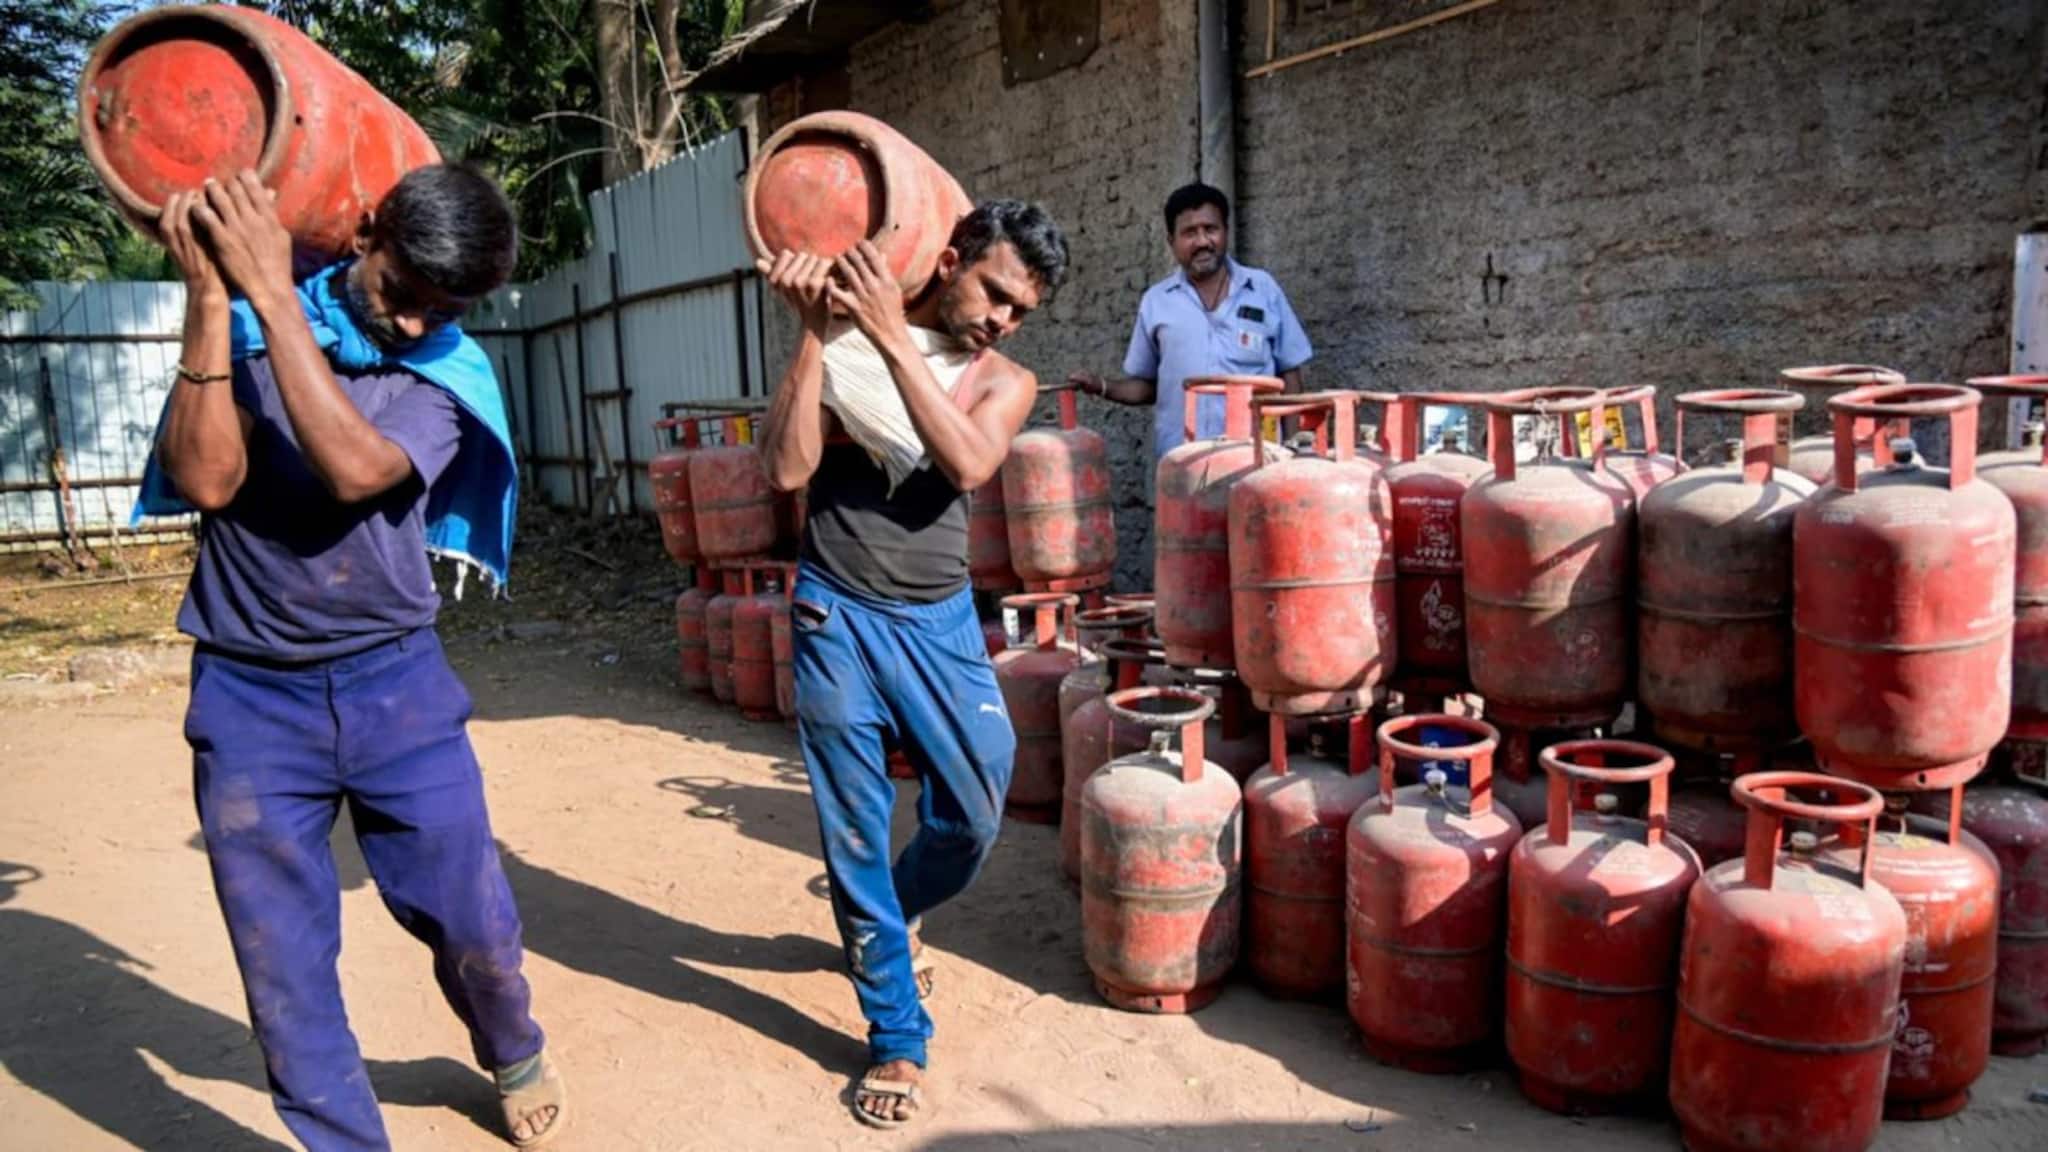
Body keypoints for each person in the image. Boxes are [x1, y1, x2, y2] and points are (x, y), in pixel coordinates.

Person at [134, 165, 563, 1151]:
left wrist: (273, 300)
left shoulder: (443, 372)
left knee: (467, 918)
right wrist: (213, 297)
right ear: (365, 233)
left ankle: (511, 1042)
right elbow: (204, 476)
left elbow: (357, 471)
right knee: (279, 960)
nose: (415, 323)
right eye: (402, 293)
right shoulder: (240, 327)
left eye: (441, 310)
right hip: (249, 697)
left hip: (394, 684)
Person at [755, 200, 1069, 1129]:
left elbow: (969, 461)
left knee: (974, 811)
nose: (1003, 318)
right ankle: (896, 1030)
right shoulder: (845, 342)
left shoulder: (1004, 376)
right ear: (953, 256)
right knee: (851, 827)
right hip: (833, 610)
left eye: (1021, 309)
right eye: (997, 293)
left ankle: (887, 920)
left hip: (938, 624)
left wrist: (894, 340)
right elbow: (783, 470)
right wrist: (816, 336)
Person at [1070, 182, 1314, 458]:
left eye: (1211, 229)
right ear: (1171, 241)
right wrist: (1101, 386)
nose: (1202, 242)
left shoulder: (1263, 289)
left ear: (1226, 232)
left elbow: (1290, 374)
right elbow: (1148, 386)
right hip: (1183, 464)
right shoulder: (1156, 301)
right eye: (1189, 232)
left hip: (1256, 459)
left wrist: (1295, 449)